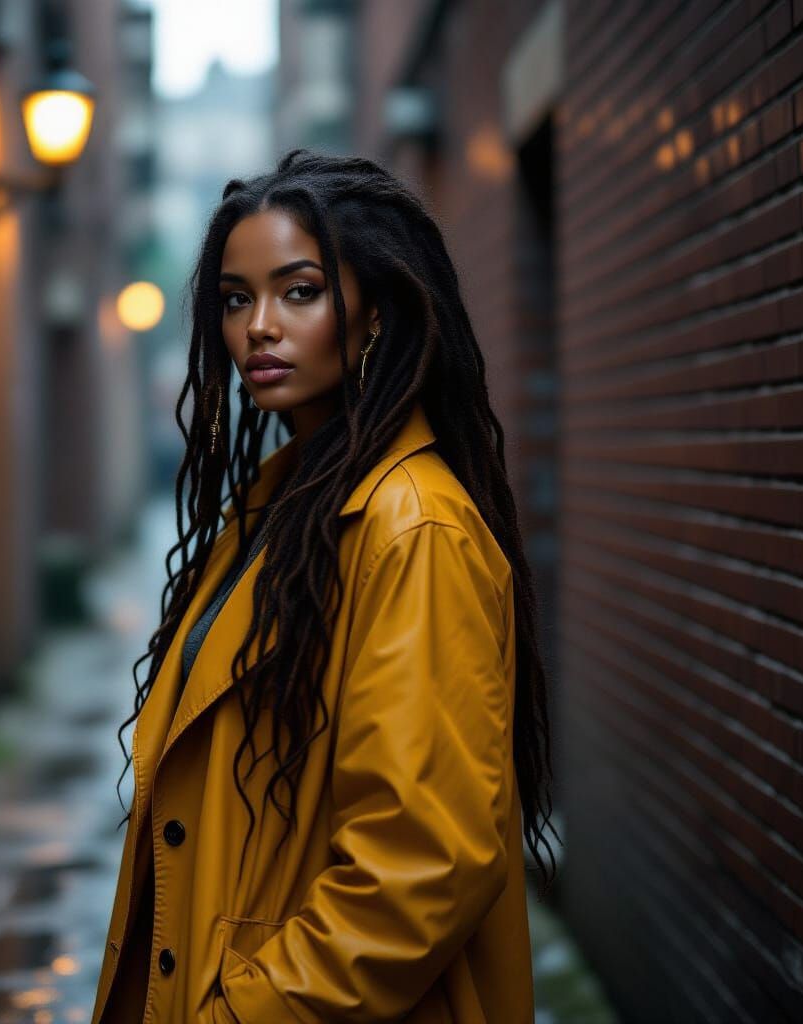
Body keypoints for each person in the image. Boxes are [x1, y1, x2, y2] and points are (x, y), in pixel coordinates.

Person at [90, 149, 558, 1024]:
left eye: (298, 291)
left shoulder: (411, 529)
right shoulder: (283, 507)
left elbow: (418, 867)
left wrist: (239, 1014)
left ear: (375, 308)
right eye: (237, 299)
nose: (259, 326)